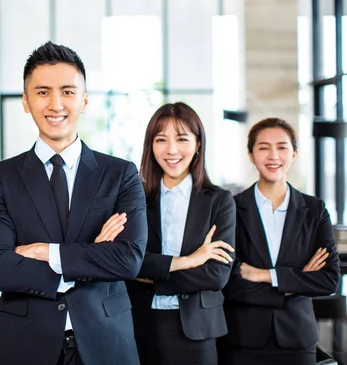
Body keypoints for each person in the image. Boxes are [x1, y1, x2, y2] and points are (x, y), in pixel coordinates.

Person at [0, 41, 148, 365]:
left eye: (67, 92)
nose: (56, 104)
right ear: (26, 102)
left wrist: (45, 252)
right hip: (24, 343)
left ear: (85, 99)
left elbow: (128, 260)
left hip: (106, 342)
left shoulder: (120, 174)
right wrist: (92, 256)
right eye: (42, 92)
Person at [219, 117, 340, 364]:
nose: (273, 155)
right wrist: (297, 280)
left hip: (297, 339)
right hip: (243, 338)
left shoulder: (314, 209)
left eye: (282, 147)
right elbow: (229, 282)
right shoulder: (231, 208)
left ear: (294, 153)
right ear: (251, 155)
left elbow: (329, 280)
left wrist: (266, 275)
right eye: (263, 147)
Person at [126, 102, 235, 365]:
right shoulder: (135, 199)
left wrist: (154, 278)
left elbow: (216, 274)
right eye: (161, 139)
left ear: (198, 144)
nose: (171, 150)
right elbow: (130, 262)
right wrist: (189, 261)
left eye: (182, 139)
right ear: (150, 147)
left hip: (198, 329)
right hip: (141, 324)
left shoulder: (218, 201)